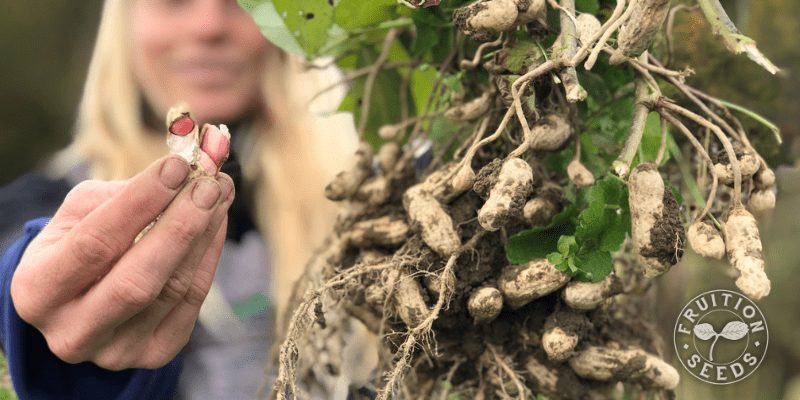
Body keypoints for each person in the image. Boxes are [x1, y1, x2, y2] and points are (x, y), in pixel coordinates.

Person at [0, 0, 358, 398]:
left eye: (243, 3)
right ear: (126, 25)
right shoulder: (43, 199)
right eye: (175, 1)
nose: (209, 27)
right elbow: (21, 257)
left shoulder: (369, 194)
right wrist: (35, 300)